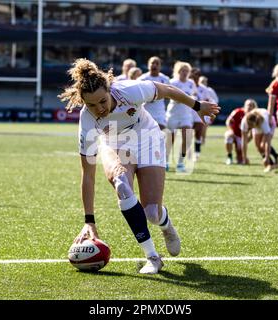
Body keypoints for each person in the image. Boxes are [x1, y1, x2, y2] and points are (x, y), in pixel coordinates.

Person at [58, 58, 220, 274]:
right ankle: (152, 257)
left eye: (102, 101)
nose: (99, 109)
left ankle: (166, 225)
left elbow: (168, 90)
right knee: (122, 185)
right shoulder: (87, 120)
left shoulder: (130, 90)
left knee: (152, 212)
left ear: (109, 89)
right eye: (92, 105)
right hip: (114, 144)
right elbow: (87, 175)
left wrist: (197, 106)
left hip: (147, 137)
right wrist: (89, 221)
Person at [166, 61, 198, 172]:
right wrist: (179, 99)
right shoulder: (172, 82)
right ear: (177, 71)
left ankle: (180, 163)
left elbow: (193, 95)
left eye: (186, 71)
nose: (184, 73)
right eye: (182, 70)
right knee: (170, 139)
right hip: (173, 114)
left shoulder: (191, 83)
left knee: (187, 137)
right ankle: (165, 161)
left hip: (186, 115)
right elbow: (168, 95)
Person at [240, 108, 278, 173]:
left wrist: (266, 157)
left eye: (251, 126)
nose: (250, 128)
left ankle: (276, 157)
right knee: (258, 146)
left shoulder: (263, 121)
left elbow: (268, 142)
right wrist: (244, 158)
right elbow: (244, 141)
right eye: (249, 126)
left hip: (270, 123)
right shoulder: (244, 122)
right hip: (257, 125)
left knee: (263, 145)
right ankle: (271, 164)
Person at [139, 56, 170, 130]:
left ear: (160, 66)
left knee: (160, 127)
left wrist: (160, 95)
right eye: (152, 63)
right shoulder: (142, 79)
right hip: (146, 110)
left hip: (159, 110)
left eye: (157, 63)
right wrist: (148, 97)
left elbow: (168, 95)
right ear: (148, 65)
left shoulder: (165, 79)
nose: (154, 65)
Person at [224, 99, 257, 165]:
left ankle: (240, 156)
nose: (249, 107)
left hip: (242, 137)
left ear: (254, 107)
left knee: (240, 160)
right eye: (248, 105)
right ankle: (229, 156)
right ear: (244, 106)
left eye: (251, 105)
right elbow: (228, 121)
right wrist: (231, 130)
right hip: (234, 133)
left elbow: (253, 133)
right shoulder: (238, 111)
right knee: (228, 136)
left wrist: (245, 142)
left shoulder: (254, 116)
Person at [198, 75, 219, 145]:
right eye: (201, 81)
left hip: (206, 110)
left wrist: (211, 107)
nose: (203, 83)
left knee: (204, 126)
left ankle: (203, 140)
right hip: (196, 111)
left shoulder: (209, 90)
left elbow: (216, 100)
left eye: (204, 82)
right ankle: (197, 140)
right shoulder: (196, 88)